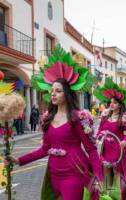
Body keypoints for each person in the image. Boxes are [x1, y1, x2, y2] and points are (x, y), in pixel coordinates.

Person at [6, 48, 103, 200]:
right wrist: (19, 160)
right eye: (52, 90)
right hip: (53, 175)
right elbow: (45, 149)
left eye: (58, 91)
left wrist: (98, 176)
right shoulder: (48, 118)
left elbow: (91, 149)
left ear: (68, 94)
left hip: (75, 172)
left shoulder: (78, 118)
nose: (53, 94)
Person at [94, 78, 126, 200]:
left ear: (120, 105)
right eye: (110, 102)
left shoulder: (125, 117)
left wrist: (124, 141)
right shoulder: (105, 115)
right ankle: (106, 196)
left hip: (118, 150)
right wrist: (97, 139)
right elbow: (100, 130)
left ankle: (118, 196)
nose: (111, 104)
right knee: (106, 174)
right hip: (105, 149)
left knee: (118, 173)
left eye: (115, 102)